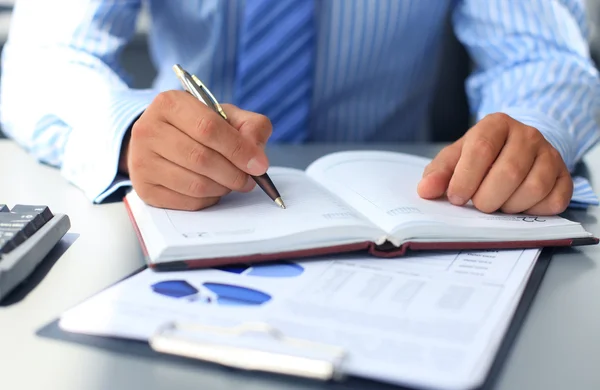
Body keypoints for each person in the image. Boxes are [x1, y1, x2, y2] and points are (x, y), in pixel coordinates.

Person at [1, 0, 599, 215]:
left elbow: (540, 54)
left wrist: (530, 133)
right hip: (170, 207)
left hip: (399, 213)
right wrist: (129, 132)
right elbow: (44, 55)